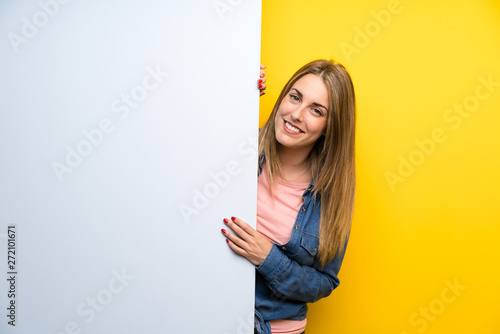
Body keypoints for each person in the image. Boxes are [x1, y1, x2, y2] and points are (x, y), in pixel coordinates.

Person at [220, 59, 356, 334]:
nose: (296, 114)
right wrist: (232, 92)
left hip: (276, 327)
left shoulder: (331, 194)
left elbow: (324, 282)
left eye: (316, 110)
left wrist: (268, 258)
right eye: (294, 97)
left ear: (330, 126)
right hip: (209, 314)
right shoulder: (239, 149)